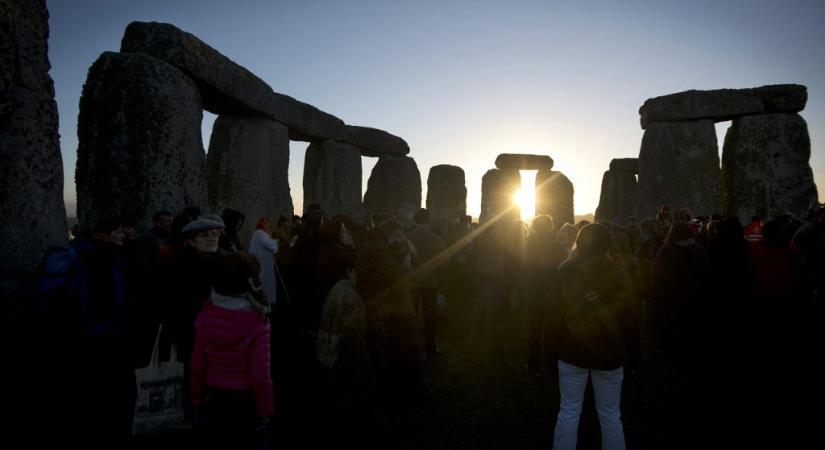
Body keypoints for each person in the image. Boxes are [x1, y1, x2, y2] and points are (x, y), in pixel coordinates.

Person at [549, 224, 634, 450]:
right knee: (610, 414)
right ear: (608, 245)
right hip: (609, 353)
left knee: (569, 410)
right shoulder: (618, 274)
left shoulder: (564, 271)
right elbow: (630, 318)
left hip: (571, 351)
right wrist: (633, 355)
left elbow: (554, 317)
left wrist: (549, 353)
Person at [191, 252, 272, 449]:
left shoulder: (204, 316)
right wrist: (265, 410)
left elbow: (197, 365)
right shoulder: (257, 323)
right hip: (245, 398)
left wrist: (196, 401)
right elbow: (260, 374)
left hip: (213, 395)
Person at [405, 208, 446, 359]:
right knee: (430, 316)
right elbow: (442, 261)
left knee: (411, 314)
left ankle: (409, 347)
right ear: (428, 221)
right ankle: (430, 348)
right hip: (431, 282)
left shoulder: (407, 237)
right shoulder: (437, 239)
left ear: (415, 220)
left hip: (412, 282)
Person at [248, 217, 279, 306]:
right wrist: (276, 242)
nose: (267, 225)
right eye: (264, 223)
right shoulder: (259, 233)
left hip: (264, 263)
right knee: (264, 283)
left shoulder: (264, 233)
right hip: (261, 263)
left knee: (266, 283)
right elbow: (270, 245)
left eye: (268, 223)